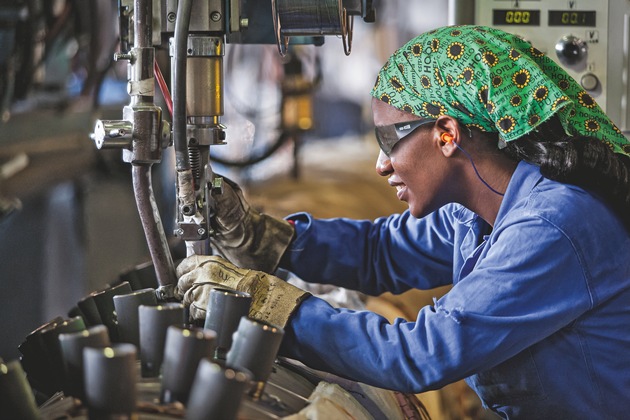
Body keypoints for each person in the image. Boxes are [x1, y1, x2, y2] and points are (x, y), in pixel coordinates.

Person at [176, 25, 630, 418]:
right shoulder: (478, 210)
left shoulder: (554, 225)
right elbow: (382, 251)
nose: (381, 164)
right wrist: (263, 239)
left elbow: (423, 353)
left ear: (447, 134)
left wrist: (274, 308)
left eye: (388, 140)